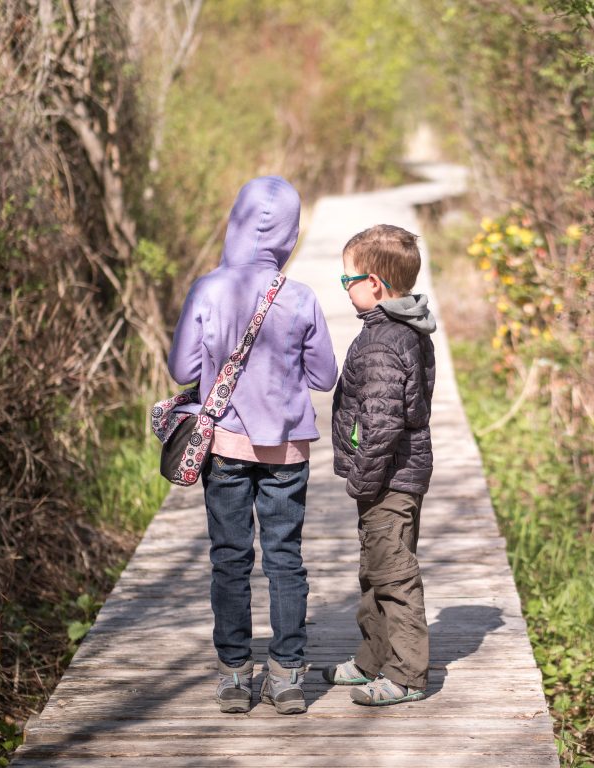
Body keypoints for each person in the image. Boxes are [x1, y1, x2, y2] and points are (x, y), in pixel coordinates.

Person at [167, 176, 337, 715]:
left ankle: (235, 675)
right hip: (287, 451)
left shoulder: (207, 289)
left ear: (236, 222)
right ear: (290, 232)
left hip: (225, 449)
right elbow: (324, 376)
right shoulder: (301, 296)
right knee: (286, 561)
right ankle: (287, 676)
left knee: (230, 559)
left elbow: (182, 370)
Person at [324, 224, 436, 705]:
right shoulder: (401, 329)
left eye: (347, 280)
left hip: (387, 478)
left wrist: (360, 480)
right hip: (395, 475)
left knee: (394, 574)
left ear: (373, 284)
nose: (345, 288)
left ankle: (407, 675)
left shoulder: (381, 344)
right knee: (375, 569)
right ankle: (374, 658)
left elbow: (385, 423)